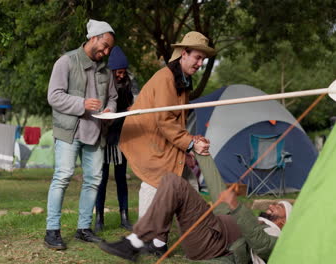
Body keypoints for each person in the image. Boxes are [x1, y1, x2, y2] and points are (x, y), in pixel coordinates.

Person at [99, 154, 294, 263]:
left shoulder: (277, 239)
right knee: (171, 180)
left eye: (278, 207)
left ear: (284, 221)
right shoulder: (251, 219)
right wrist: (203, 155)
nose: (271, 205)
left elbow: (260, 244)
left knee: (174, 183)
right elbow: (218, 189)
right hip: (210, 228)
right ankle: (149, 242)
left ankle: (136, 241)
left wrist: (236, 206)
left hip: (212, 239)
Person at [119, 31, 215, 220]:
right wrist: (190, 144)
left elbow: (177, 121)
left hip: (164, 141)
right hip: (148, 142)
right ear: (184, 54)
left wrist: (187, 148)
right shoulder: (166, 78)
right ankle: (144, 237)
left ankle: (196, 232)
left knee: (189, 183)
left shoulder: (183, 81)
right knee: (154, 182)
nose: (200, 63)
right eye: (197, 57)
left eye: (202, 59)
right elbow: (165, 120)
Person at [45, 19, 118, 250]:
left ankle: (84, 228)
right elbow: (54, 96)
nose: (106, 52)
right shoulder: (65, 62)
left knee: (94, 180)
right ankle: (52, 231)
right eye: (104, 46)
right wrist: (82, 103)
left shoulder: (107, 71)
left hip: (96, 132)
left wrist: (110, 110)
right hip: (70, 131)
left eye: (109, 49)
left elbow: (113, 98)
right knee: (63, 176)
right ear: (93, 38)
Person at [94, 46, 136, 233]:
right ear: (111, 71)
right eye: (118, 72)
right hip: (104, 137)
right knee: (101, 179)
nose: (121, 75)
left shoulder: (127, 85)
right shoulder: (102, 85)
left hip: (120, 137)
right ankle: (99, 218)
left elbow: (130, 109)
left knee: (121, 179)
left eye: (123, 72)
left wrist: (129, 112)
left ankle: (124, 217)